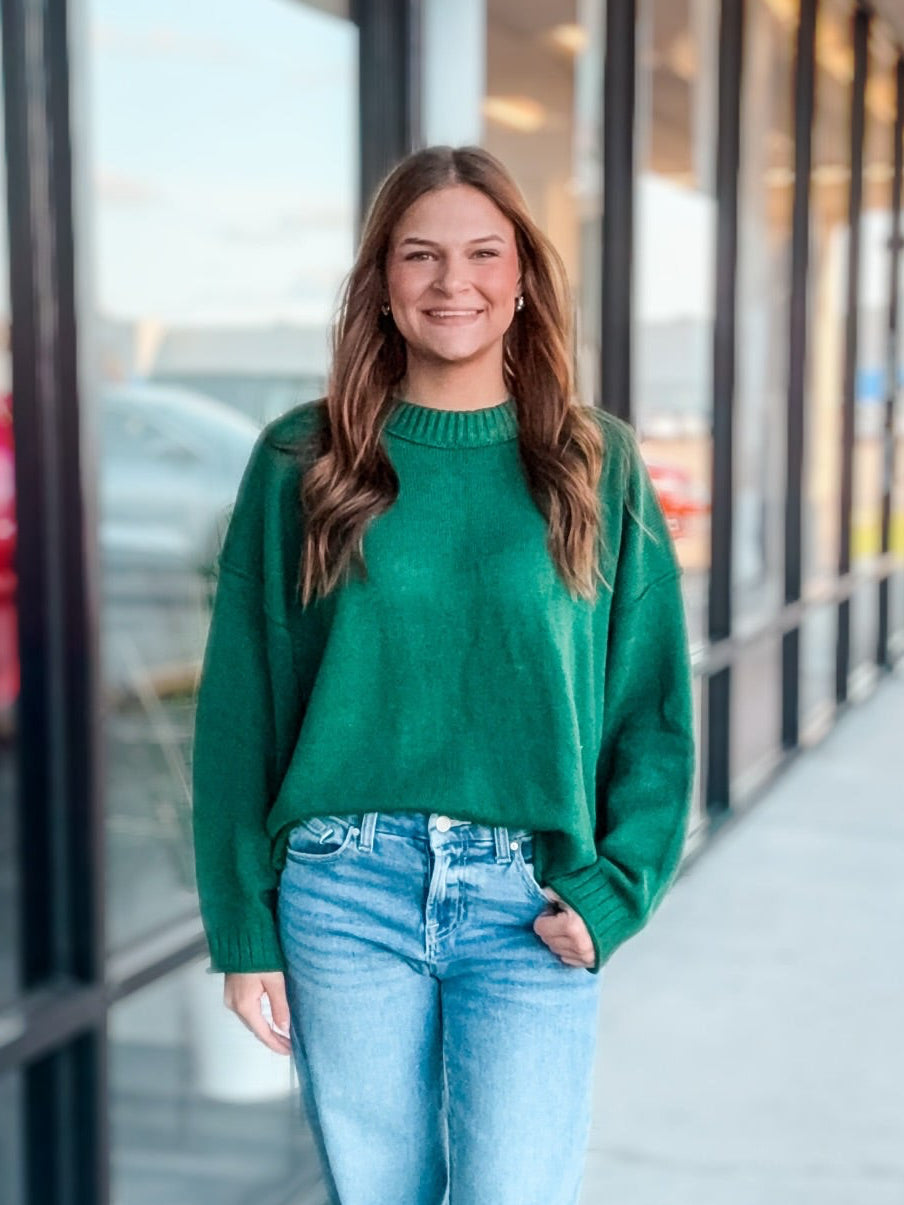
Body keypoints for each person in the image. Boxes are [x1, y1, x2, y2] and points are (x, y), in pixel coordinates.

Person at [192, 144, 695, 1205]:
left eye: (480, 253)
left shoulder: (593, 460)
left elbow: (650, 710)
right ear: (380, 281)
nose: (449, 282)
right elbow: (242, 712)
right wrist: (244, 926)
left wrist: (617, 891)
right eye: (418, 255)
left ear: (521, 278)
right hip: (342, 890)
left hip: (529, 903)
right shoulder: (304, 459)